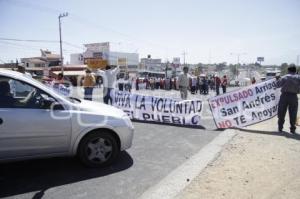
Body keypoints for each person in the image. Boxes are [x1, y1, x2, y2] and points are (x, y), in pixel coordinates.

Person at [277, 65, 300, 134]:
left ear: (288, 70)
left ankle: (280, 128)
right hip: (294, 96)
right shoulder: (298, 77)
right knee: (293, 113)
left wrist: (278, 78)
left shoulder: (284, 77)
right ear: (295, 70)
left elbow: (278, 85)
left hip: (284, 96)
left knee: (281, 112)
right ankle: (292, 130)